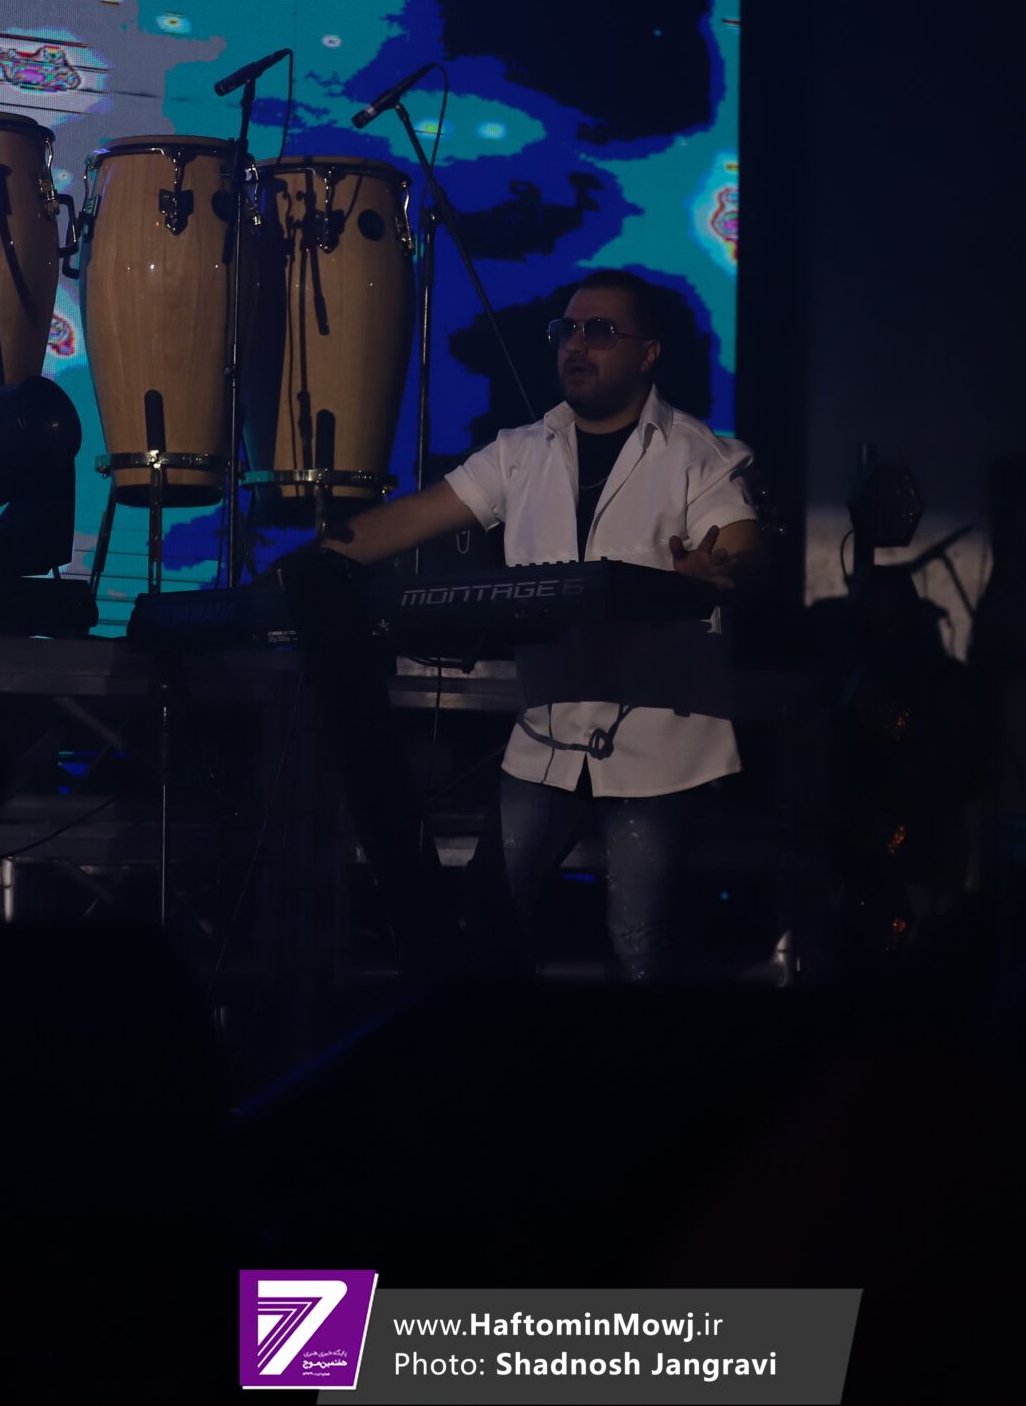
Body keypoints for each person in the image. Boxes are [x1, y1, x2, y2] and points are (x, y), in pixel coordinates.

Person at [319, 269, 763, 981]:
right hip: (546, 737)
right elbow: (410, 519)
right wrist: (306, 567)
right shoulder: (523, 450)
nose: (576, 345)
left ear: (649, 353)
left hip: (658, 744)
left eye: (601, 331)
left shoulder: (694, 453)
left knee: (640, 943)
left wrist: (718, 570)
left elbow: (738, 547)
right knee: (488, 921)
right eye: (567, 330)